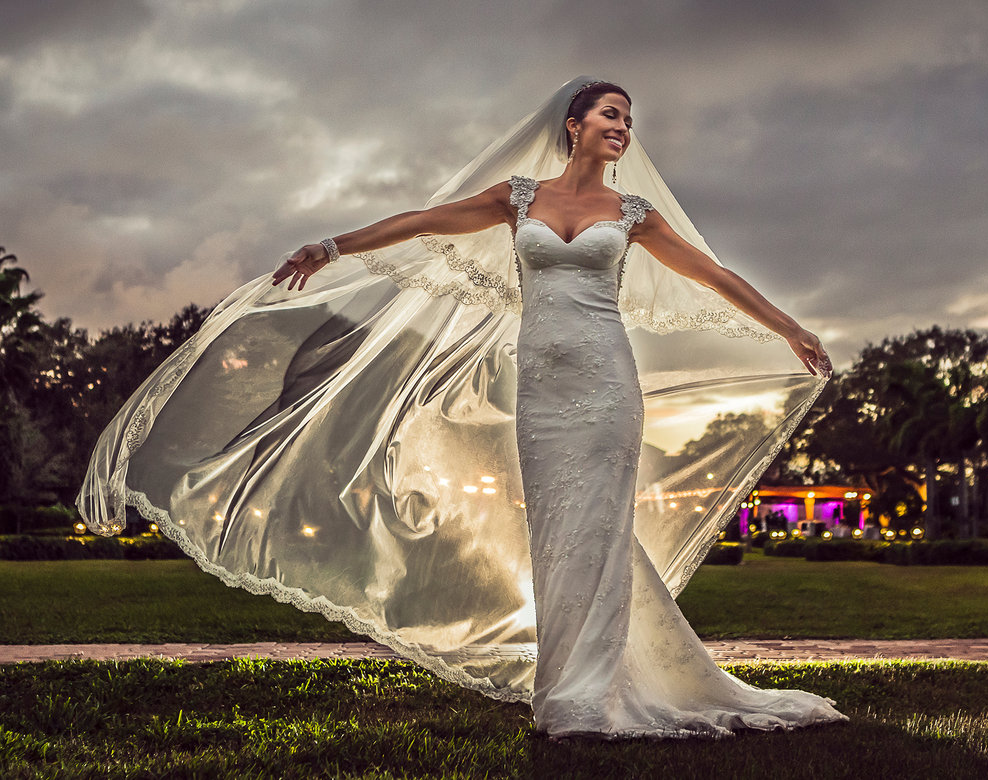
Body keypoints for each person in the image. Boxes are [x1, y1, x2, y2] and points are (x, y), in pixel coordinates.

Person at [78, 77, 846, 738]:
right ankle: (572, 685)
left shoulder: (634, 212)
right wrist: (329, 246)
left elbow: (714, 275)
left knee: (602, 524)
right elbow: (421, 221)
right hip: (543, 383)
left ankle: (589, 693)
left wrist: (790, 327)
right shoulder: (518, 200)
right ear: (573, 126)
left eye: (629, 120)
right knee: (557, 528)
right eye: (611, 113)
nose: (622, 127)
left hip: (608, 380)